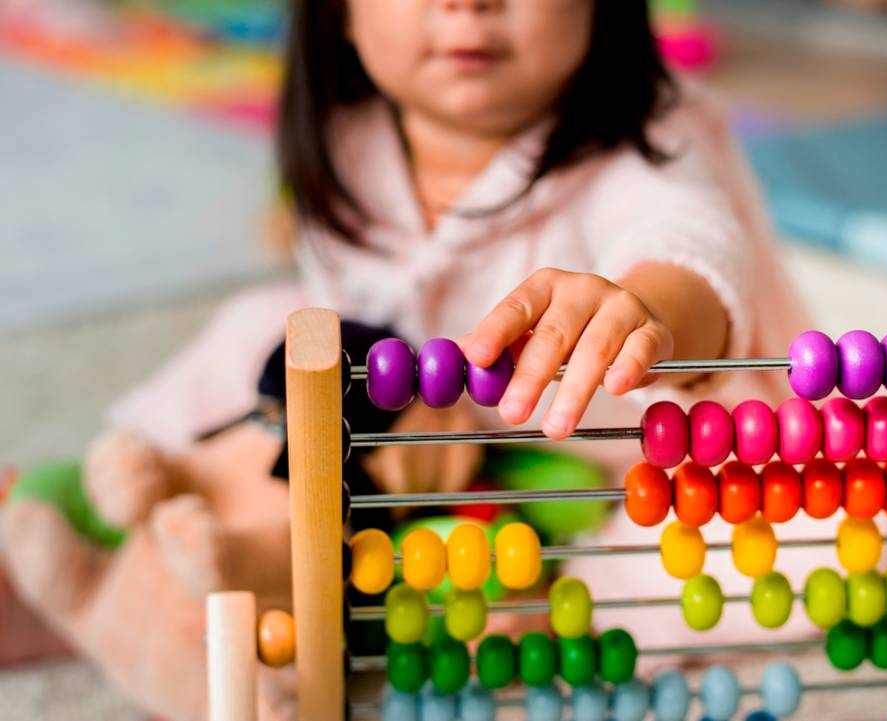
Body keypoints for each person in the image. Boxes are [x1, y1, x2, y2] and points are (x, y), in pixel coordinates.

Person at [3, 0, 817, 710]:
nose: (467, 4)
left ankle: (542, 598)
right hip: (425, 437)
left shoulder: (650, 135)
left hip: (645, 472)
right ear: (341, 15)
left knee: (808, 546)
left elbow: (688, 243)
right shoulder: (350, 134)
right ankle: (117, 494)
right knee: (267, 325)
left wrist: (648, 310)